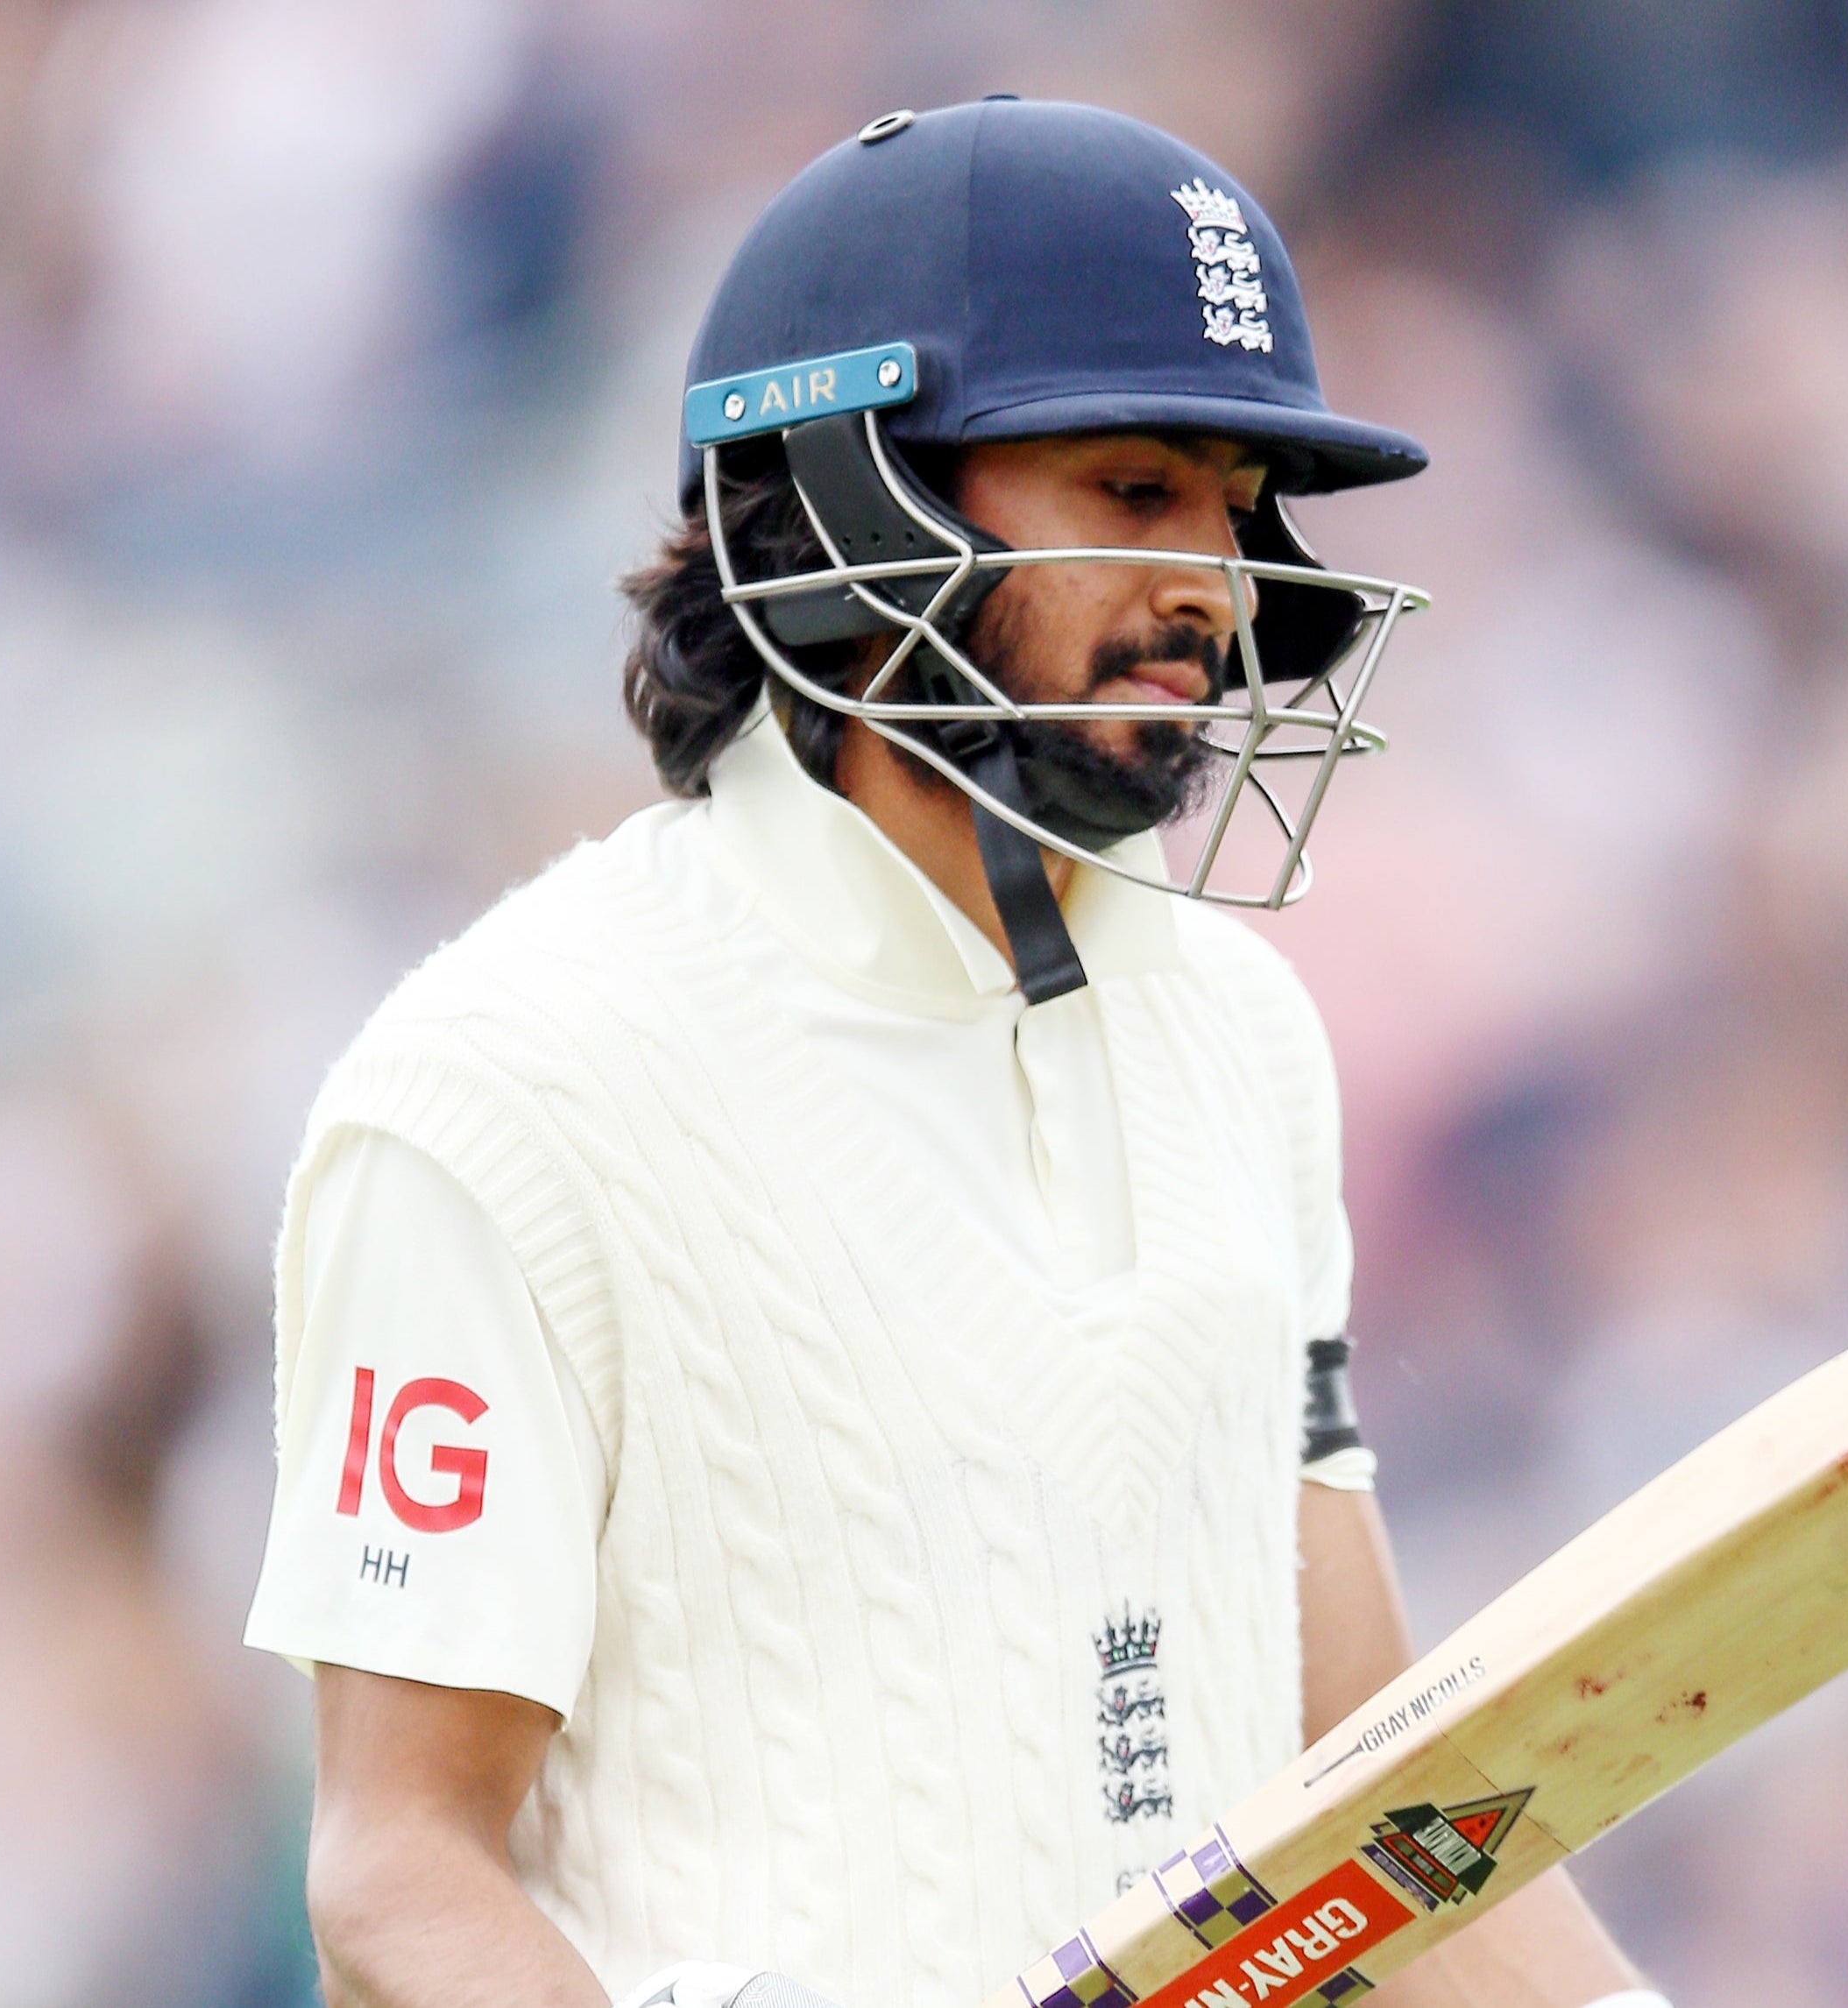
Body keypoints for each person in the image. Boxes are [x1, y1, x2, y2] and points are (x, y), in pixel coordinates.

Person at [244, 98, 1659, 2008]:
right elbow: (398, 1869)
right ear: (842, 498)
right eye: (1135, 493)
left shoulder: (1237, 1040)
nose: (1214, 591)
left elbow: (1359, 1792)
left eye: (1234, 511)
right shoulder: (504, 1088)